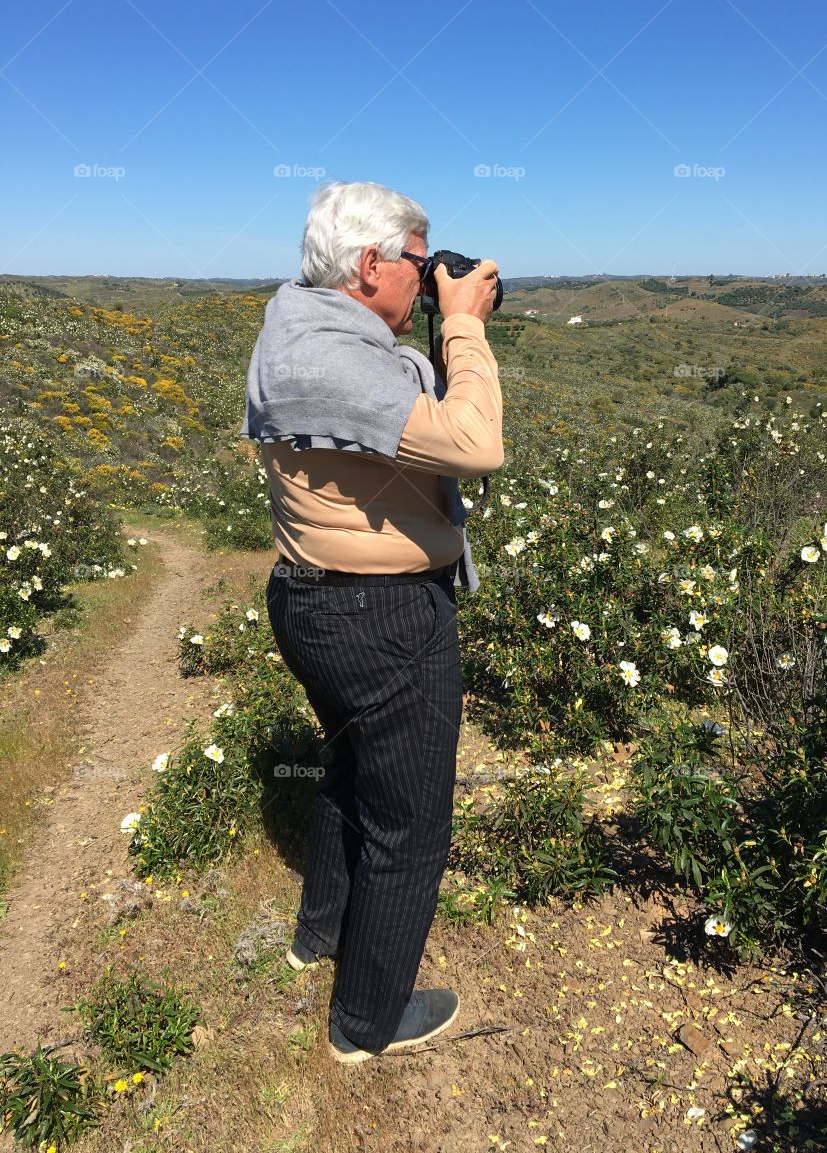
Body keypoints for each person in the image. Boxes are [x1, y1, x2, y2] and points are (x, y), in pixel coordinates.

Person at [243, 180, 503, 1064]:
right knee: (414, 822)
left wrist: (436, 312)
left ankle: (318, 935)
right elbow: (475, 446)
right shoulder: (333, 360)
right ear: (369, 264)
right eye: (419, 265)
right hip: (380, 615)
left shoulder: (295, 321)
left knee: (353, 771)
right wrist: (464, 325)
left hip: (316, 598)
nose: (427, 280)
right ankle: (367, 1022)